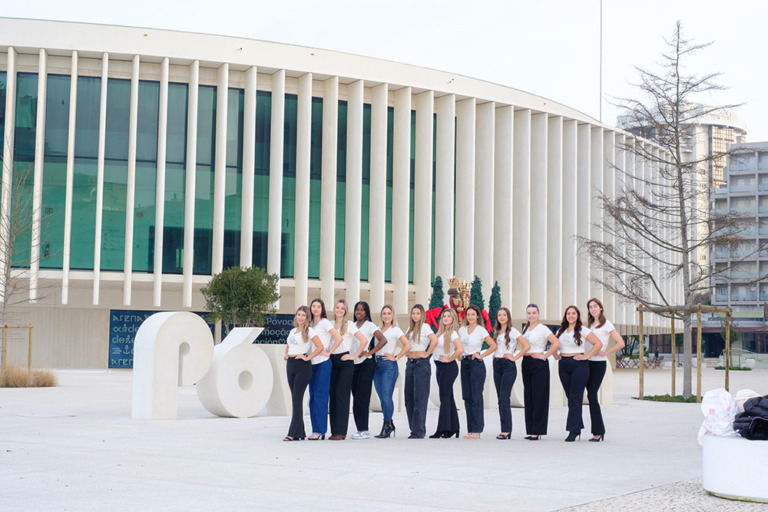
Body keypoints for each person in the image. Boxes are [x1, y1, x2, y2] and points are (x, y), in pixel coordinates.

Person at [554, 305, 602, 442]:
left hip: (579, 365)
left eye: (573, 313)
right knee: (571, 398)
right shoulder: (561, 331)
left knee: (575, 397)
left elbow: (597, 344)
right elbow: (554, 345)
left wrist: (586, 356)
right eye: (568, 313)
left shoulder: (583, 330)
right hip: (563, 365)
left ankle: (573, 430)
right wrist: (556, 355)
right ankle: (577, 426)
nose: (570, 316)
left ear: (577, 316)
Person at [585, 298, 626, 442]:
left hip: (598, 363)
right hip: (587, 361)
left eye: (595, 306)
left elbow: (621, 343)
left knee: (592, 395)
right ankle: (595, 430)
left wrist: (605, 352)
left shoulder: (606, 324)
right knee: (588, 396)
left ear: (600, 308)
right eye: (590, 307)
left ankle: (598, 431)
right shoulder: (590, 324)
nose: (593, 309)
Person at [328, 299, 369, 440]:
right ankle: (333, 431)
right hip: (332, 361)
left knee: (342, 396)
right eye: (337, 307)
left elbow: (364, 340)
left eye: (342, 308)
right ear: (334, 309)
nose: (339, 310)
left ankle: (340, 432)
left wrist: (354, 355)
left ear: (345, 311)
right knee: (333, 396)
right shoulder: (330, 325)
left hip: (345, 361)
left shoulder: (349, 325)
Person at [283, 306, 324, 441]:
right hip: (291, 365)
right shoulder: (293, 331)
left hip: (303, 366)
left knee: (297, 398)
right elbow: (289, 344)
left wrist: (307, 358)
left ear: (307, 318)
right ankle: (299, 432)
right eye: (298, 314)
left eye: (303, 315)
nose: (300, 317)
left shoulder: (309, 331)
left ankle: (292, 433)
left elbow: (320, 347)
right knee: (294, 399)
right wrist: (286, 354)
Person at [521, 303, 560, 440]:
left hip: (538, 363)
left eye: (534, 313)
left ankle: (537, 431)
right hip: (526, 363)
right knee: (529, 396)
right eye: (529, 313)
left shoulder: (543, 329)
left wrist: (545, 355)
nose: (531, 315)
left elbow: (556, 343)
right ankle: (531, 428)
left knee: (539, 397)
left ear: (538, 314)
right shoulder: (525, 329)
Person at [458, 304, 496, 439]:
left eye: (473, 314)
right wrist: (458, 356)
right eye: (468, 315)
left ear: (477, 316)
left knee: (476, 397)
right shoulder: (462, 330)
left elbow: (493, 345)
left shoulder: (481, 330)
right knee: (467, 396)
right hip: (465, 364)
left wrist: (481, 355)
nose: (470, 317)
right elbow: (458, 346)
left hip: (476, 364)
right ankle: (470, 429)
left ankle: (477, 430)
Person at [372, 305, 411, 439]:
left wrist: (396, 357)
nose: (386, 316)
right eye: (384, 313)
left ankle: (387, 425)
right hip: (377, 365)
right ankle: (390, 424)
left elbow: (407, 345)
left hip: (389, 365)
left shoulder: (396, 329)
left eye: (389, 313)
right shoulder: (377, 329)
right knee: (382, 397)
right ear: (381, 316)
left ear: (393, 315)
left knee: (387, 397)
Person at [351, 301, 386, 440]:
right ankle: (359, 428)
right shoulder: (351, 326)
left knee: (363, 397)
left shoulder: (370, 326)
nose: (359, 312)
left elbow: (383, 340)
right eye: (357, 310)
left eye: (362, 310)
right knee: (355, 397)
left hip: (366, 364)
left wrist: (370, 352)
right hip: (353, 364)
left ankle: (364, 430)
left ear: (366, 312)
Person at [492, 307, 530, 439]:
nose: (501, 317)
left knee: (504, 398)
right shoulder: (497, 331)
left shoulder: (513, 331)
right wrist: (495, 355)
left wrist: (514, 356)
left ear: (508, 317)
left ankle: (506, 430)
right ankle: (505, 429)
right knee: (500, 399)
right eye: (499, 315)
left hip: (508, 366)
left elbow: (526, 346)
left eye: (504, 315)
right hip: (497, 364)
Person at [308, 298, 343, 440]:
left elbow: (338, 338)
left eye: (318, 306)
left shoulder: (325, 323)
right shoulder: (309, 324)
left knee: (320, 397)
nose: (315, 308)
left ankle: (319, 431)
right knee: (313, 397)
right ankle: (315, 429)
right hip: (311, 363)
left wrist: (329, 351)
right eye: (313, 306)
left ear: (322, 309)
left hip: (323, 363)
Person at [404, 304, 438, 439]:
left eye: (418, 313)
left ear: (422, 314)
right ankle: (414, 427)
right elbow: (405, 343)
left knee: (420, 398)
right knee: (409, 398)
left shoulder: (425, 327)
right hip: (410, 364)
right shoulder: (409, 329)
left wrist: (427, 354)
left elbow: (434, 340)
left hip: (421, 364)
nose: (415, 315)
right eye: (413, 313)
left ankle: (418, 431)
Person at [430, 308, 464, 438]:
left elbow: (460, 349)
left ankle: (442, 429)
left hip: (448, 367)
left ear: (453, 319)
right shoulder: (439, 333)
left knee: (444, 397)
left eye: (449, 316)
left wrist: (450, 358)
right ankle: (454, 427)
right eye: (444, 316)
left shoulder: (453, 333)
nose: (446, 318)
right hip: (440, 367)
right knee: (448, 397)